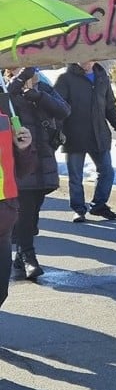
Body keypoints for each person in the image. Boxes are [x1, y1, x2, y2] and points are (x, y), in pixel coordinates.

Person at [5, 67, 70, 280]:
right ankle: (29, 257)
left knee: (33, 214)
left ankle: (21, 254)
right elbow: (6, 103)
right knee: (25, 210)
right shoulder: (6, 89)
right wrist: (20, 80)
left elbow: (64, 110)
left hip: (45, 159)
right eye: (17, 68)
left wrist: (39, 96)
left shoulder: (43, 88)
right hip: (21, 158)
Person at [53, 60, 116, 223]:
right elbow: (56, 108)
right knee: (75, 176)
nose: (86, 60)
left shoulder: (101, 76)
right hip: (74, 135)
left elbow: (110, 107)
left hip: (99, 134)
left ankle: (99, 204)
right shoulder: (65, 78)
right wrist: (55, 132)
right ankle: (78, 209)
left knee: (107, 172)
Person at [0, 114, 35, 309]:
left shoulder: (5, 118)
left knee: (1, 291)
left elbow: (22, 171)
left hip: (4, 218)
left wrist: (24, 149)